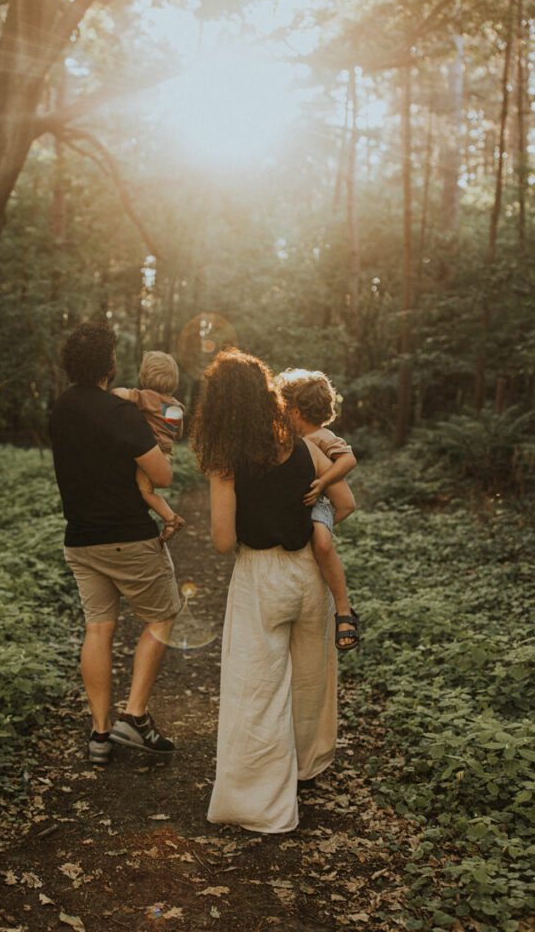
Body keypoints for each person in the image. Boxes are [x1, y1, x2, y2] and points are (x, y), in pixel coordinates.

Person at [190, 348, 356, 834]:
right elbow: (343, 502)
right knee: (310, 677)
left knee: (257, 687)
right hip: (308, 572)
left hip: (261, 576)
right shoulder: (306, 444)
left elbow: (222, 542)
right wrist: (309, 517)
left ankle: (262, 804)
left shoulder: (226, 460)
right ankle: (306, 769)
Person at [51, 322, 181, 764]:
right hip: (127, 537)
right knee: (163, 616)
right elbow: (162, 475)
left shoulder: (60, 408)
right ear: (109, 365)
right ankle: (135, 716)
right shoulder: (119, 412)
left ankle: (100, 736)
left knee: (98, 629)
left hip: (80, 540)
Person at [278, 369, 359, 652]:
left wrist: (324, 481)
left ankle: (344, 610)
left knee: (323, 545)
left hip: (320, 503)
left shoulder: (322, 436)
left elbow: (349, 459)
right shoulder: (289, 438)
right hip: (300, 506)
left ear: (296, 411)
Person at [111, 350, 186, 542]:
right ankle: (169, 520)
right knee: (147, 491)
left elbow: (123, 394)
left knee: (145, 492)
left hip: (152, 452)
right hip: (166, 453)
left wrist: (110, 395)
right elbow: (177, 433)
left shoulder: (148, 397)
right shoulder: (176, 406)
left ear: (146, 376)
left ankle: (170, 519)